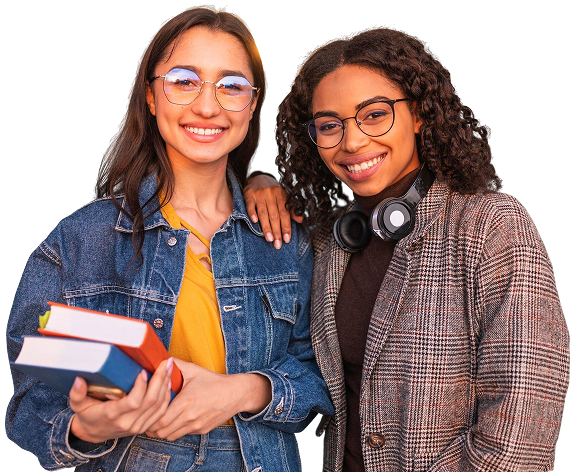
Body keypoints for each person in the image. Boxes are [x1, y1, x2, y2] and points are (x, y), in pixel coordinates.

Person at [5, 5, 333, 471]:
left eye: (231, 85)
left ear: (253, 104)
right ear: (152, 96)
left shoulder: (285, 236)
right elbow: (29, 398)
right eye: (184, 80)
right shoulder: (81, 240)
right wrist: (86, 429)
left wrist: (239, 390)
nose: (207, 105)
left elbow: (326, 380)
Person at [243, 26, 569, 471]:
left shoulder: (490, 224)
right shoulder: (330, 236)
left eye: (374, 114)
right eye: (328, 125)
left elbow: (524, 422)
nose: (352, 142)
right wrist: (259, 180)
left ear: (418, 114)